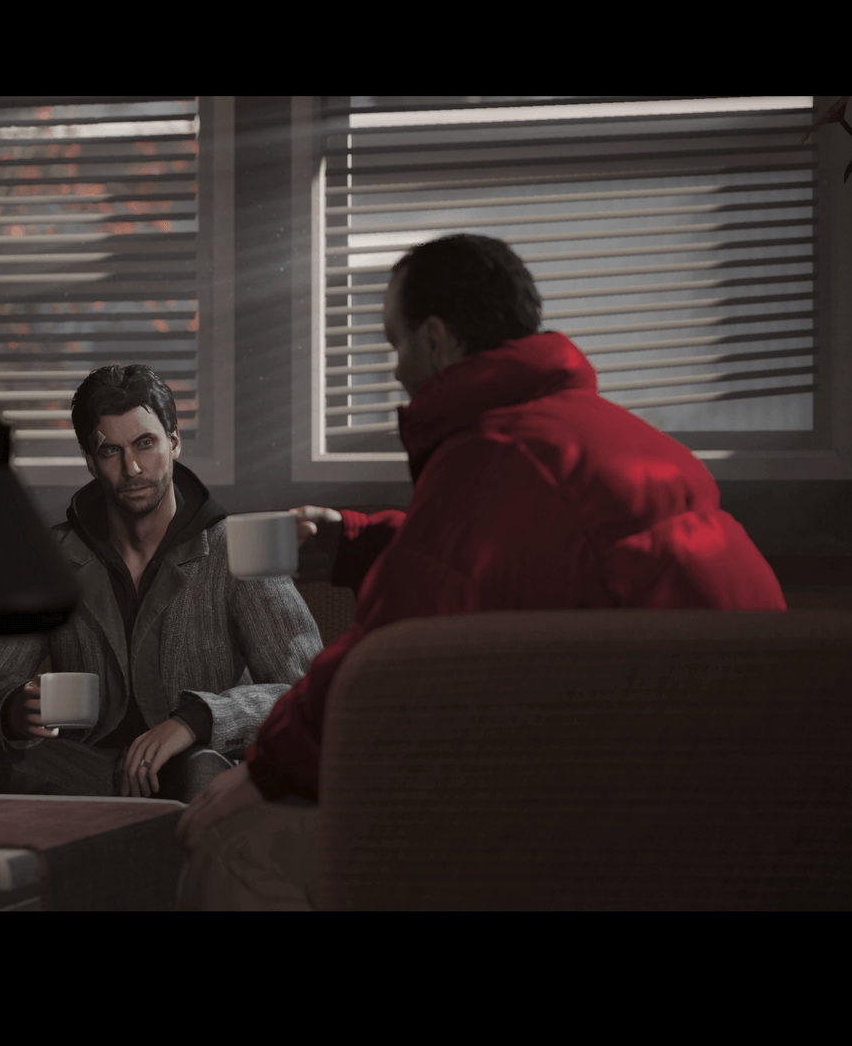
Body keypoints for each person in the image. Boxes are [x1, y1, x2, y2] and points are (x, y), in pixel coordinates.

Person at [175, 234, 788, 909]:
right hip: (732, 784)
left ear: (436, 340)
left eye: (396, 346)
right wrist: (359, 544)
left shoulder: (494, 457)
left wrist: (266, 770)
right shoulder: (597, 435)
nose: (396, 372)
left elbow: (382, 666)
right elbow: (528, 552)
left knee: (237, 849)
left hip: (637, 818)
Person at [0, 365, 322, 802]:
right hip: (83, 768)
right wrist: (14, 706)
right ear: (90, 461)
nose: (132, 468)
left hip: (194, 763)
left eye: (145, 443)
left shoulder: (239, 548)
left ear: (174, 442)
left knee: (204, 773)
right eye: (111, 450)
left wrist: (197, 720)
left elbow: (311, 692)